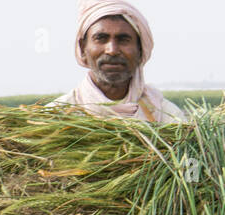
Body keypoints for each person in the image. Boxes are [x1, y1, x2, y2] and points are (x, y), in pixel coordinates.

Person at [52, 0, 186, 123]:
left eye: (123, 39)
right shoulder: (56, 117)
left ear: (140, 50)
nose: (112, 50)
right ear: (82, 48)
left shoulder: (167, 118)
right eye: (101, 38)